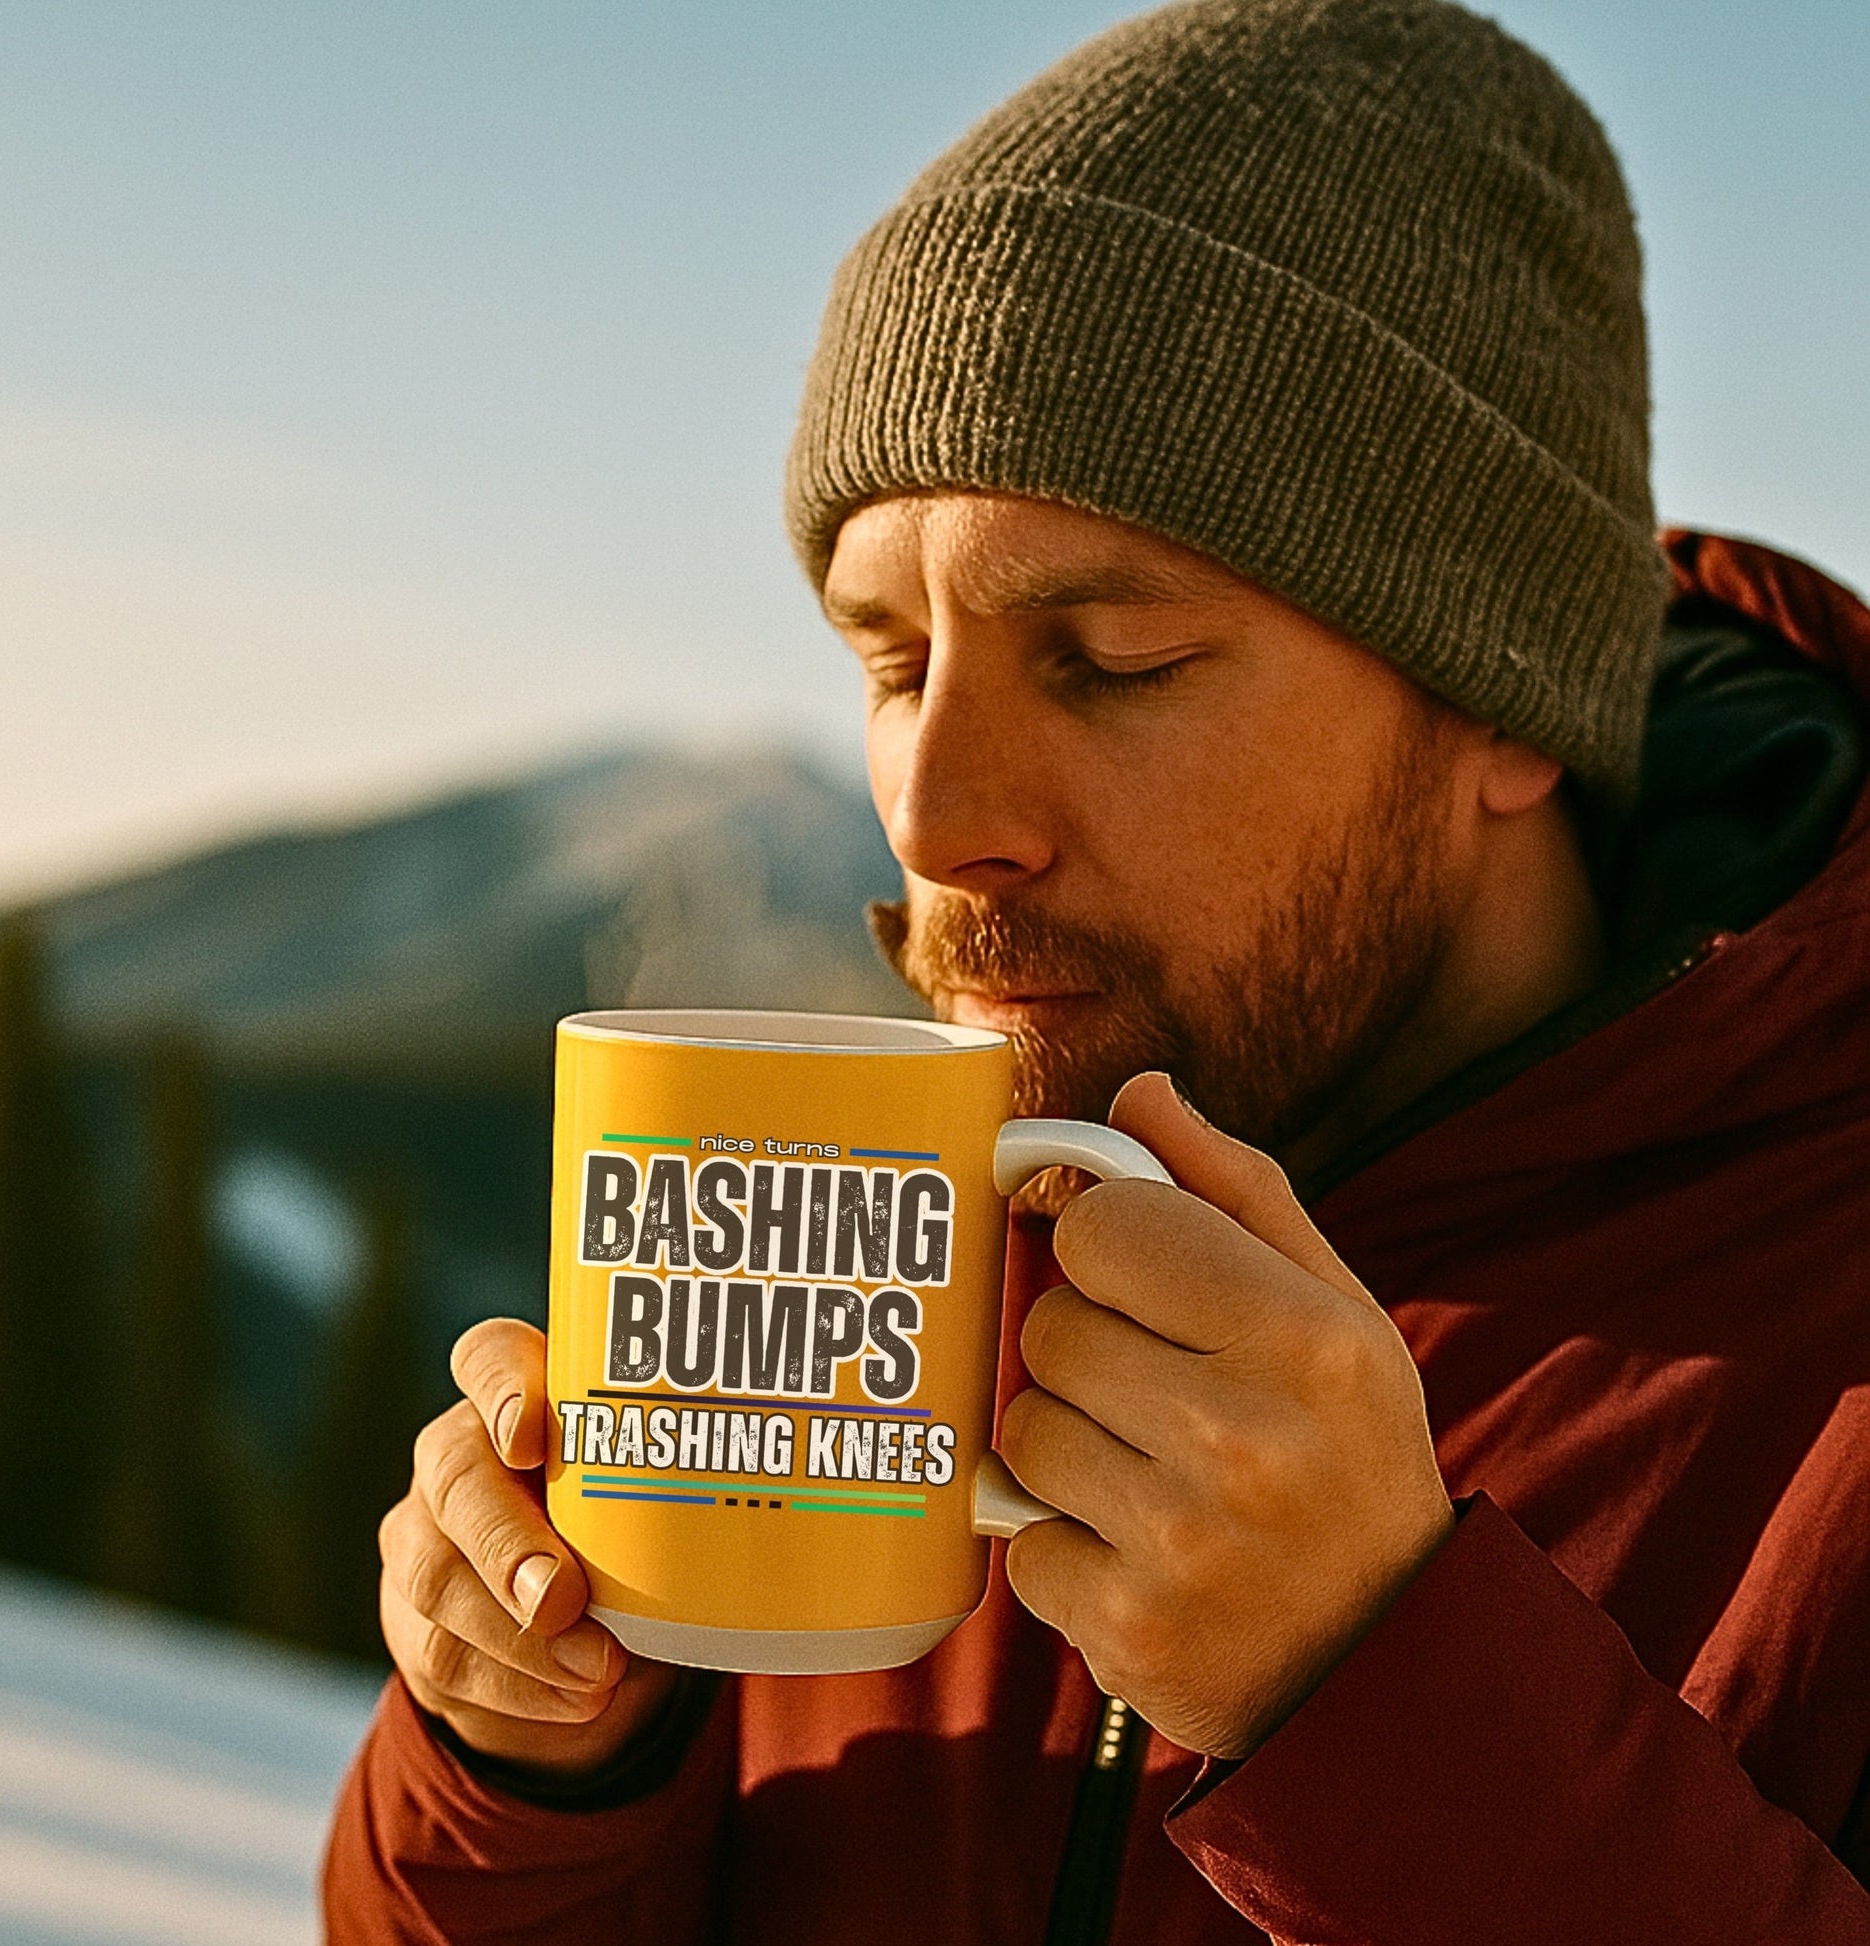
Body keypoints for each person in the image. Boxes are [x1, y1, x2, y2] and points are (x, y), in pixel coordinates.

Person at [322, 1, 1870, 1939]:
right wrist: (532, 1768)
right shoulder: (918, 1244)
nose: (940, 806)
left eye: (1111, 658)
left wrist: (1381, 1700)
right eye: (892, 660)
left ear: (1502, 704)